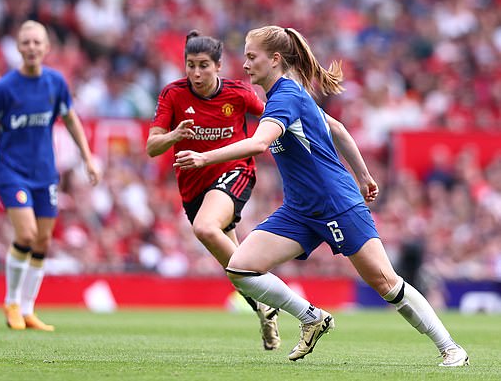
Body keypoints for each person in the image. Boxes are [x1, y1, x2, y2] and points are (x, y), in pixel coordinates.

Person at [173, 26, 469, 367]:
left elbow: (258, 143)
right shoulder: (288, 94)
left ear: (275, 59)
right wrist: (363, 174)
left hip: (336, 204)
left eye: (252, 56)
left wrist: (204, 157)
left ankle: (451, 348)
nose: (245, 64)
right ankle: (311, 316)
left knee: (386, 282)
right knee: (241, 268)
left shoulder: (285, 97)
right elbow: (338, 129)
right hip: (300, 210)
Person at [146, 30, 281, 350]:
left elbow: (273, 118)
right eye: (190, 65)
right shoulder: (173, 95)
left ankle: (272, 294)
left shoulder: (238, 93)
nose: (196, 73)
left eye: (203, 65)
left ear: (218, 66)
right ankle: (264, 309)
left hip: (235, 172)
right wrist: (174, 135)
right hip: (194, 187)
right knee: (235, 267)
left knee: (205, 228)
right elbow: (153, 146)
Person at [0, 20, 99, 331]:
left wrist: (87, 158)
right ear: (18, 47)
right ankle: (11, 302)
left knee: (42, 241)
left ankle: (28, 309)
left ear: (46, 48)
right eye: (26, 42)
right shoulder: (5, 88)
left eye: (37, 42)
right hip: (10, 171)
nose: (31, 47)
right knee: (26, 235)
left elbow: (71, 121)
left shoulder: (56, 83)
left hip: (44, 173)